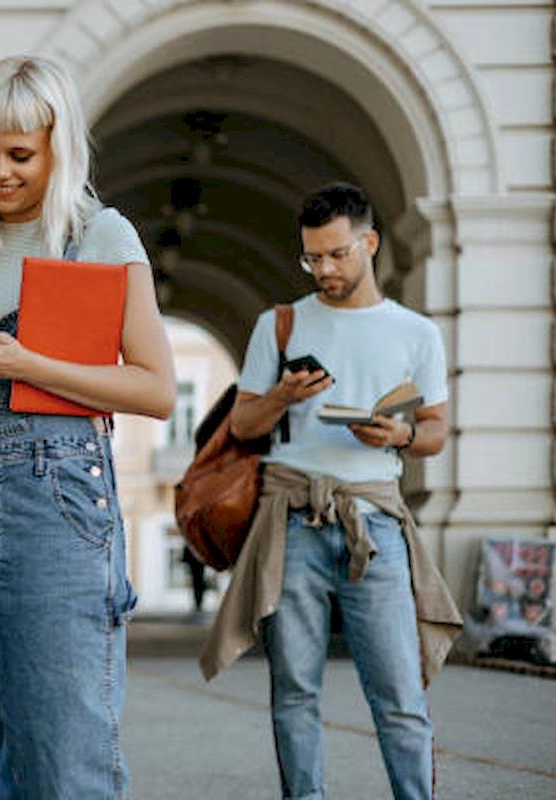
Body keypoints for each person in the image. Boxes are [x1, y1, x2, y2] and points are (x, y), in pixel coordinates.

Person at [0, 55, 176, 799]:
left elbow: (155, 390)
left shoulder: (99, 237)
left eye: (19, 154)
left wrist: (23, 363)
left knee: (63, 754)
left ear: (60, 149)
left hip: (57, 502)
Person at [202, 183, 463, 799]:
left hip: (373, 520)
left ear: (369, 243)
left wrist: (398, 433)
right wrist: (282, 398)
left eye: (336, 254)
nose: (323, 269)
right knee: (294, 687)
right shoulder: (280, 325)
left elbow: (436, 434)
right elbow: (241, 426)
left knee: (399, 690)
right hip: (292, 518)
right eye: (311, 257)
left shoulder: (416, 332)